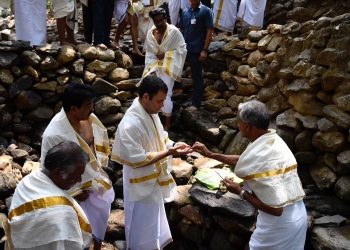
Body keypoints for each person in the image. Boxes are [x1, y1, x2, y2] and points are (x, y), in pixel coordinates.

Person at [192, 100, 308, 250]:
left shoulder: (264, 148)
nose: (238, 126)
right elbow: (245, 160)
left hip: (281, 225)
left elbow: (276, 210)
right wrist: (210, 154)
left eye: (239, 122)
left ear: (247, 125)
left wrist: (240, 192)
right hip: (297, 213)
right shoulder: (271, 140)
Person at [111, 75, 192, 250]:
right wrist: (169, 152)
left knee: (154, 220)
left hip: (153, 180)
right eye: (159, 101)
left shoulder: (150, 111)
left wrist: (174, 145)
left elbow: (161, 138)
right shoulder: (130, 124)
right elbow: (137, 159)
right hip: (138, 182)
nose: (162, 105)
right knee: (139, 224)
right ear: (146, 96)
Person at [41, 83, 115, 250]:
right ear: (73, 109)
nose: (93, 109)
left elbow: (97, 141)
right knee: (76, 230)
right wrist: (75, 192)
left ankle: (98, 246)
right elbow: (51, 170)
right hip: (72, 189)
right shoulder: (54, 134)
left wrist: (99, 166)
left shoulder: (89, 118)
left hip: (94, 180)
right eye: (88, 105)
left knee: (100, 218)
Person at [6, 141, 92, 250]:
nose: (79, 180)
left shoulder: (28, 180)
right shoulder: (62, 212)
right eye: (76, 176)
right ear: (56, 173)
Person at [141, 8, 187, 131]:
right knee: (147, 89)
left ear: (165, 18)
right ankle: (151, 119)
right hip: (154, 65)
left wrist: (165, 55)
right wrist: (152, 68)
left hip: (168, 67)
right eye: (156, 21)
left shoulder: (174, 32)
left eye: (161, 20)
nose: (159, 23)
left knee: (165, 94)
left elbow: (182, 50)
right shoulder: (151, 33)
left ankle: (167, 123)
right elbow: (150, 53)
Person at [179, 0, 213, 112]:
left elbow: (209, 32)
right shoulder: (184, 12)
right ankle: (174, 92)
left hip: (196, 49)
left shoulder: (206, 11)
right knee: (175, 71)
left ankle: (196, 103)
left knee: (196, 76)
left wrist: (204, 50)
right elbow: (181, 30)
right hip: (184, 48)